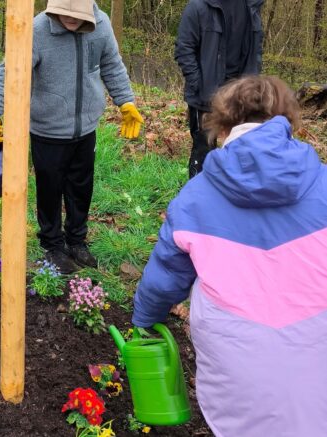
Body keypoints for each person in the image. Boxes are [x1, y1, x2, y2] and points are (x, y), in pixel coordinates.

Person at [132, 76, 327, 436]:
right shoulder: (323, 183)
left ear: (222, 126)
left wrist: (144, 319)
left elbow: (165, 276)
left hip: (236, 354)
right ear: (286, 121)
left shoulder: (195, 198)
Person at [0, 0, 143, 274]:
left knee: (81, 187)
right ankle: (52, 244)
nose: (70, 20)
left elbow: (112, 65)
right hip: (47, 129)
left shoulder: (101, 25)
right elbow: (9, 70)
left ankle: (77, 239)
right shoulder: (36, 31)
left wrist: (125, 101)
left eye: (76, 16)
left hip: (85, 129)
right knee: (50, 188)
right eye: (64, 15)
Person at [175, 0, 265, 178]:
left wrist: (253, 86)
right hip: (205, 95)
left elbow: (256, 51)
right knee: (203, 150)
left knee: (240, 151)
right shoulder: (199, 7)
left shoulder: (252, 7)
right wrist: (199, 85)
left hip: (242, 96)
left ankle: (231, 200)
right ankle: (198, 199)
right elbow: (184, 49)